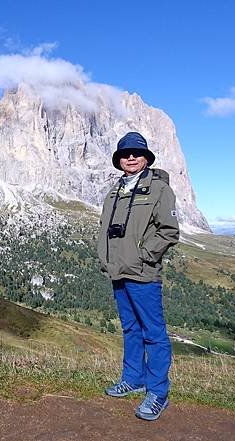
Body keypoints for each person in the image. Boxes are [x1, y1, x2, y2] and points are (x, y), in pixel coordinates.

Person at [97, 131, 180, 421]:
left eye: (136, 153)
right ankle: (133, 378)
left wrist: (144, 255)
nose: (131, 157)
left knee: (154, 333)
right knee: (130, 329)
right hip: (118, 271)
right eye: (125, 153)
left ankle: (158, 392)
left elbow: (169, 231)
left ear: (146, 157)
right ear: (119, 160)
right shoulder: (114, 189)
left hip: (143, 273)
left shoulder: (158, 188)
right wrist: (107, 259)